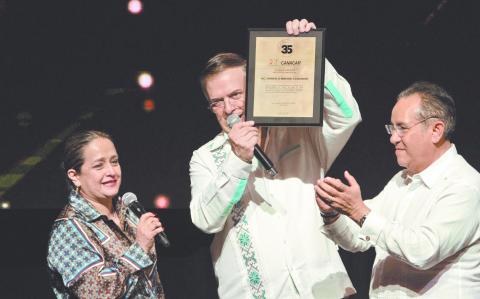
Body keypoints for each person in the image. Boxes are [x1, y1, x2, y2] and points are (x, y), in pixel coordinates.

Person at [189, 19, 361, 298]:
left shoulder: (299, 131)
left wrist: (311, 53)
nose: (228, 108)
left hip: (324, 289)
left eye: (235, 95)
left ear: (256, 87)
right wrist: (237, 160)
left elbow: (348, 115)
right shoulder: (206, 157)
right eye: (217, 102)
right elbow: (205, 220)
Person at [315, 81, 480, 298]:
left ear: (436, 130)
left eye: (402, 128)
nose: (393, 138)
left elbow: (423, 251)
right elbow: (359, 238)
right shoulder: (401, 180)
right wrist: (332, 213)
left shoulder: (465, 186)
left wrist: (358, 211)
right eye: (392, 128)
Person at [47, 130, 166, 298]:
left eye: (114, 162)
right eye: (98, 166)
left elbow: (150, 285)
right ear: (75, 176)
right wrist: (139, 248)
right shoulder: (68, 229)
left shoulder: (128, 210)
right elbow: (98, 292)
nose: (112, 171)